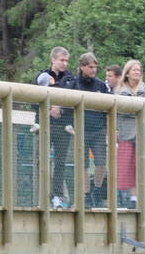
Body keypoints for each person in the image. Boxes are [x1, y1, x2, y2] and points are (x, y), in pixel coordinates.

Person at [59, 52, 111, 206]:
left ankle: (96, 188)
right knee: (84, 165)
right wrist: (70, 126)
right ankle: (86, 195)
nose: (93, 70)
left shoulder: (101, 86)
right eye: (90, 67)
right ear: (82, 67)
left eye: (95, 67)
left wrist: (109, 129)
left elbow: (108, 108)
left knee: (101, 163)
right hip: (80, 131)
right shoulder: (74, 84)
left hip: (98, 130)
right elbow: (66, 106)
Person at [114, 59, 145, 208]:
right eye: (134, 70)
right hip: (127, 133)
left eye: (139, 70)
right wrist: (135, 109)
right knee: (129, 166)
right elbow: (121, 111)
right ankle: (134, 198)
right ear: (127, 73)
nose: (137, 72)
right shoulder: (119, 90)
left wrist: (132, 109)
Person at [35, 46, 71, 209]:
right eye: (62, 60)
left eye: (66, 61)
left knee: (60, 163)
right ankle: (42, 196)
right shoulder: (41, 76)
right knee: (42, 162)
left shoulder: (71, 79)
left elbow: (73, 101)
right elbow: (32, 101)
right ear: (53, 60)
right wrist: (49, 110)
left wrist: (60, 109)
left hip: (64, 127)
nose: (65, 63)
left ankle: (57, 196)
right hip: (44, 125)